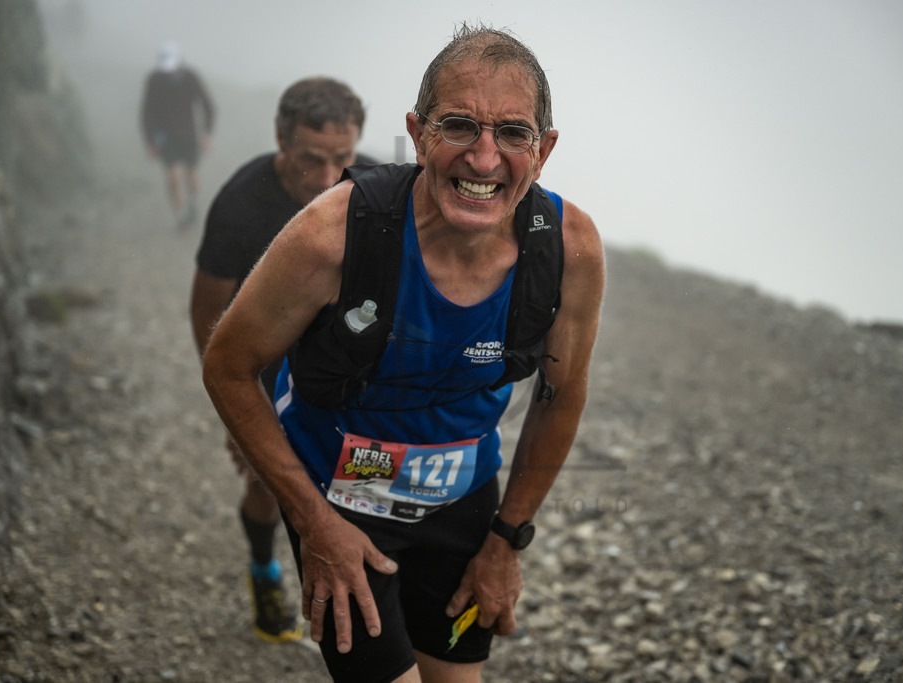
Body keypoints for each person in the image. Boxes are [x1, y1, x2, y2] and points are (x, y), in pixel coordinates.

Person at [202, 24, 604, 683]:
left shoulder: (568, 248)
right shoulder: (334, 234)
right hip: (338, 496)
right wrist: (313, 524)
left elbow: (562, 397)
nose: (483, 159)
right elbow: (228, 364)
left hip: (463, 499)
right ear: (418, 134)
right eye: (458, 126)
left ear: (544, 150)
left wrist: (507, 541)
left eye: (513, 133)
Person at [190, 77, 372, 643]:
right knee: (269, 486)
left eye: (341, 158)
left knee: (362, 484)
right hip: (266, 365)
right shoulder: (240, 202)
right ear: (281, 139)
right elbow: (206, 308)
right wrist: (233, 406)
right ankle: (265, 569)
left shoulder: (371, 187)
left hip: (345, 364)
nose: (327, 178)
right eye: (311, 159)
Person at [140, 41, 215, 230]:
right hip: (165, 137)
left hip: (189, 134)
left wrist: (207, 133)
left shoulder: (190, 78)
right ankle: (181, 216)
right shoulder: (154, 81)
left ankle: (193, 203)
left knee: (192, 174)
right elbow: (147, 112)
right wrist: (150, 141)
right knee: (172, 176)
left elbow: (207, 105)